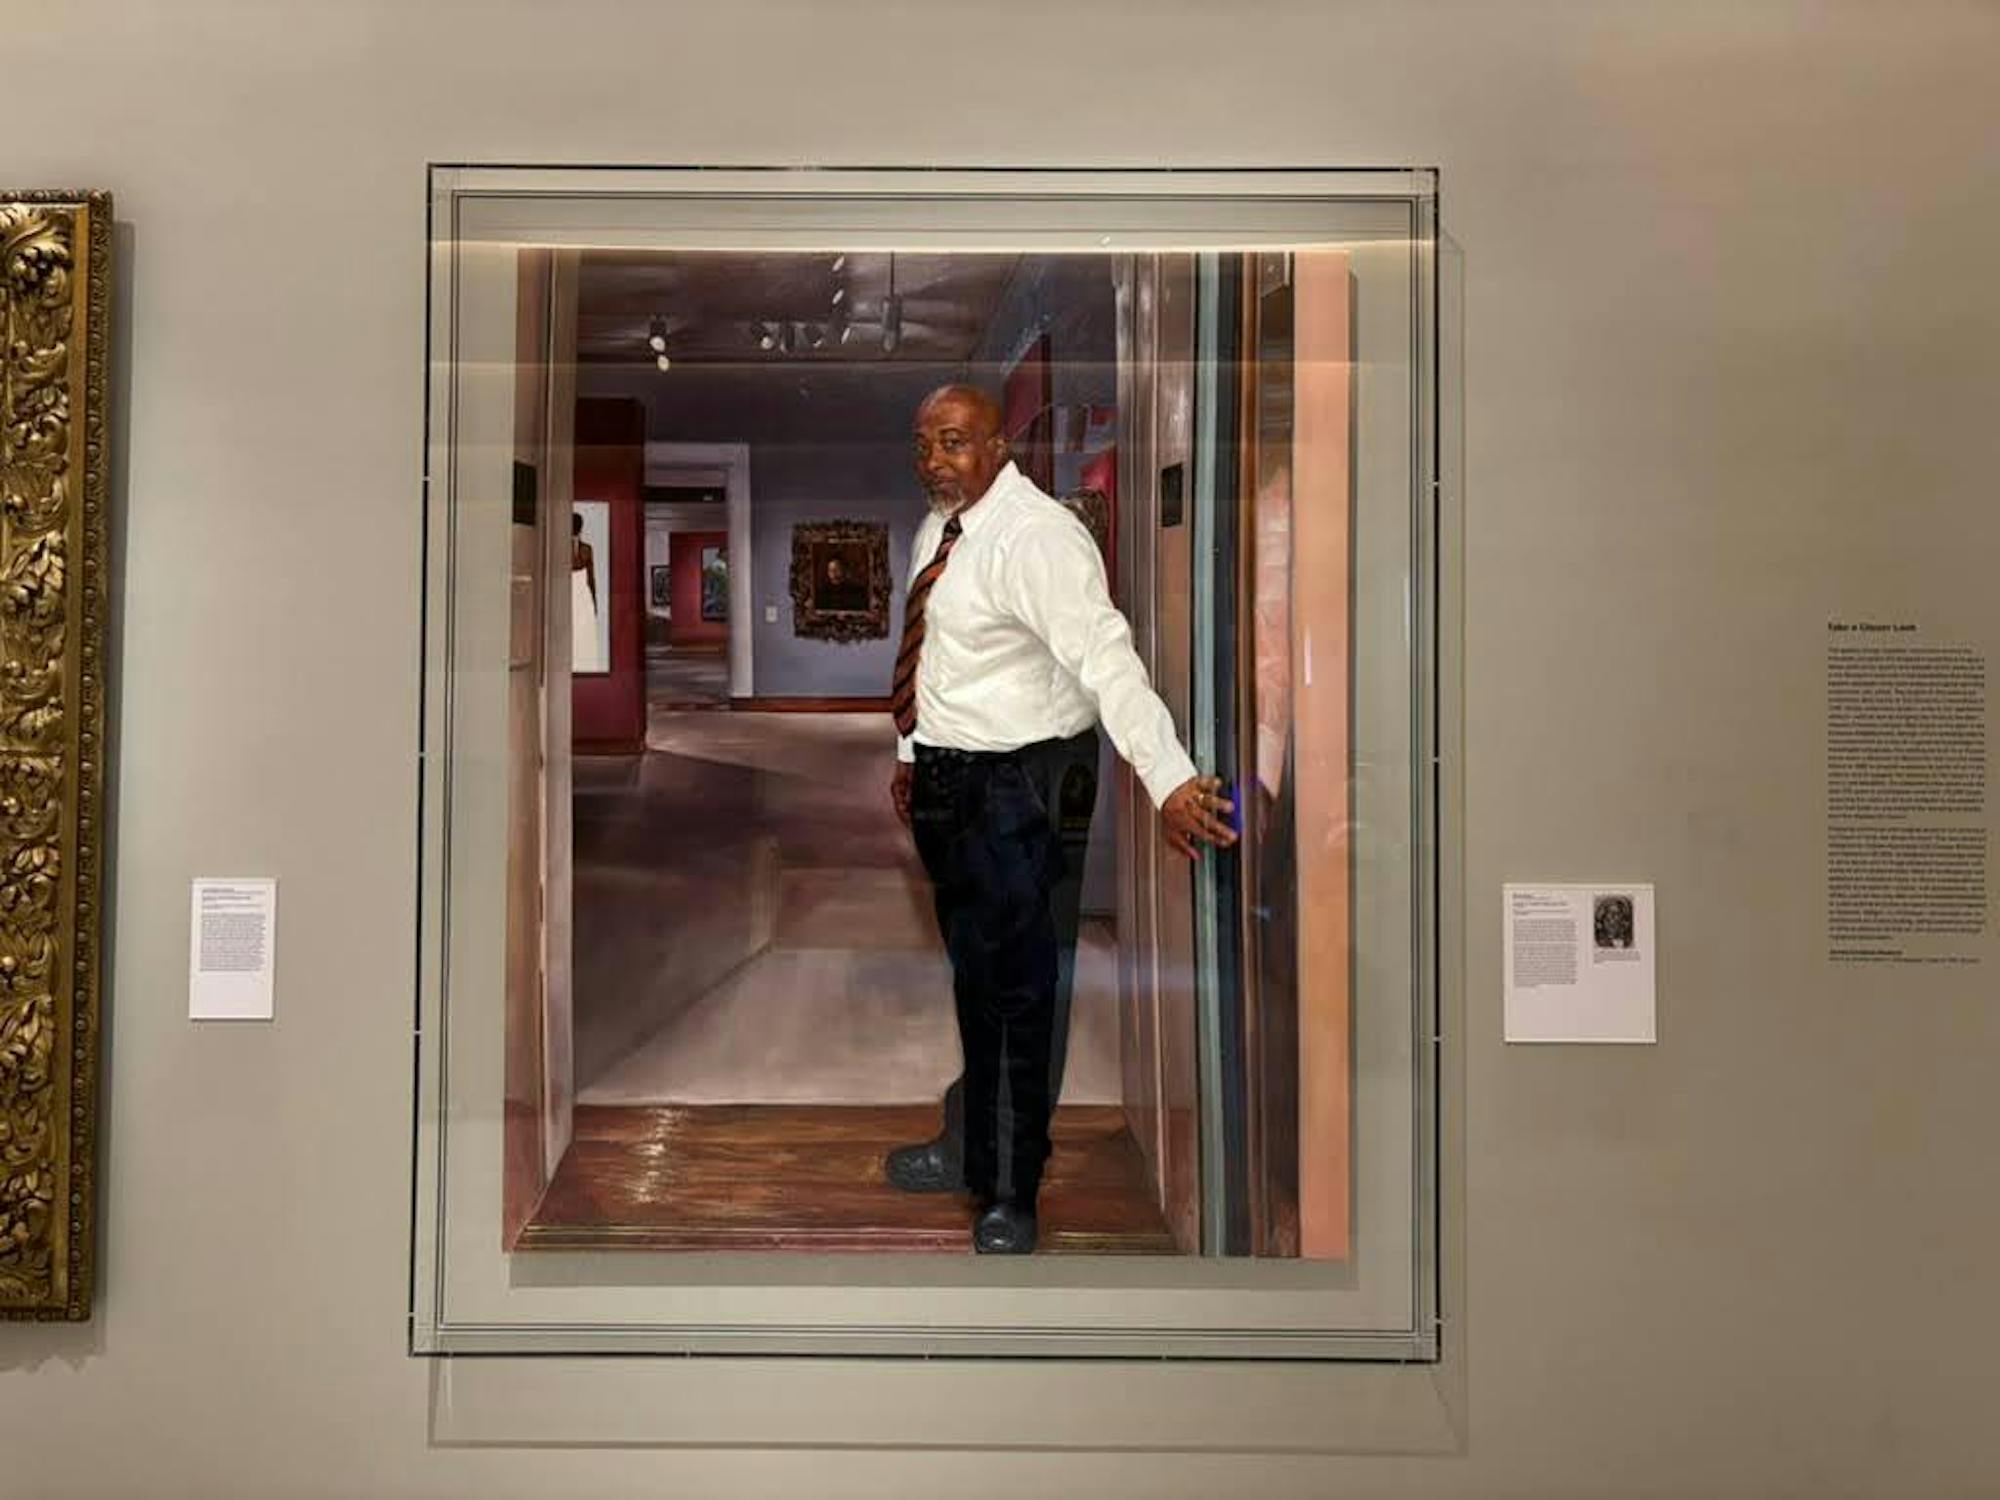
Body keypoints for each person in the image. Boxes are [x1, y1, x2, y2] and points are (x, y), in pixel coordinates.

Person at [886, 384, 1237, 1254]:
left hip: (1022, 785)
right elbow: (936, 655)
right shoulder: (941, 527)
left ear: (999, 445)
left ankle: (1013, 1189)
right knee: (973, 975)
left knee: (1022, 991)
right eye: (926, 443)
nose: (936, 459)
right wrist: (909, 759)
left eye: (955, 442)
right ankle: (972, 1147)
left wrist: (1170, 781)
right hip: (947, 774)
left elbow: (1105, 657)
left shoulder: (1040, 538)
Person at [571, 512, 603, 673]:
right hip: (569, 591)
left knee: (584, 632)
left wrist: (594, 603)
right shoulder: (560, 548)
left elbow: (591, 578)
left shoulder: (587, 549)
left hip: (582, 593)